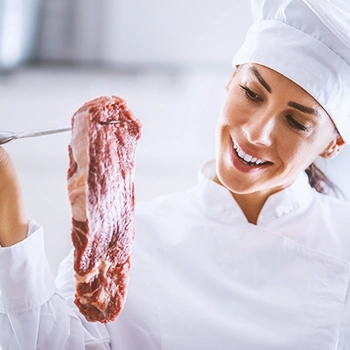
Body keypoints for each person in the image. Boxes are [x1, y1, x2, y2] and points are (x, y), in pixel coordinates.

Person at [1, 0, 350, 348]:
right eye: (251, 93)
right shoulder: (129, 244)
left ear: (333, 144)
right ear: (230, 82)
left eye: (296, 122)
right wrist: (9, 207)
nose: (256, 134)